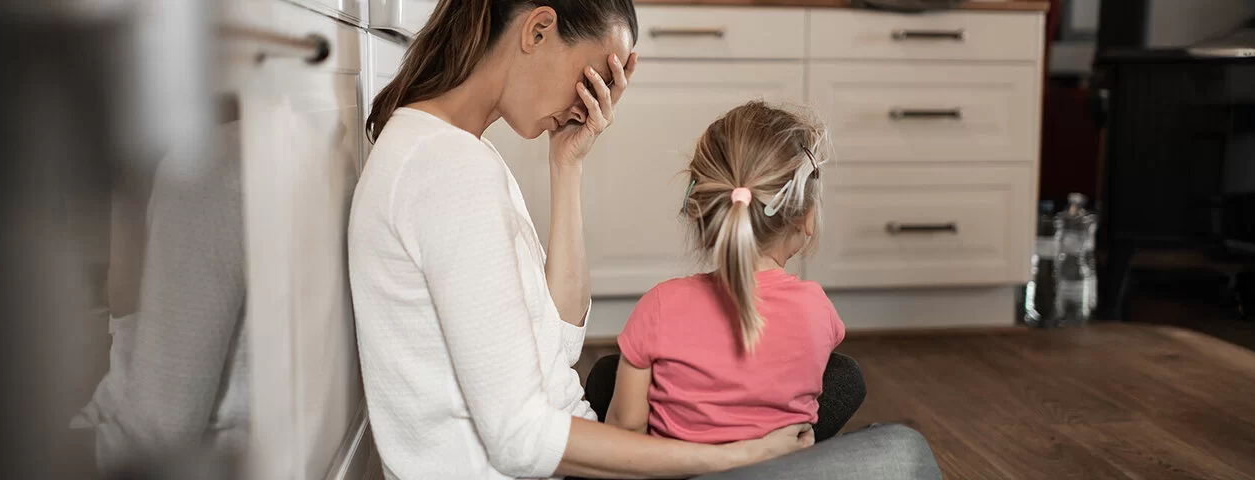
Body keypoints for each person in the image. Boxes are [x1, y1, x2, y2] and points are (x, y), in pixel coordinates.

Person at [349, 0, 942, 477]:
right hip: (549, 463)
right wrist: (737, 455)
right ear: (538, 29)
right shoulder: (449, 174)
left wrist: (568, 166)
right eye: (596, 72)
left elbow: (557, 344)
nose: (595, 100)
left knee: (825, 381)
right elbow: (521, 440)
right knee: (902, 452)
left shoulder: (459, 153)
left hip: (564, 445)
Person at [599, 101, 856, 443]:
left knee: (606, 374)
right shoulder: (817, 308)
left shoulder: (660, 305)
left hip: (677, 470)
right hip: (782, 470)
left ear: (701, 211)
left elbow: (627, 426)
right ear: (805, 216)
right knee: (846, 374)